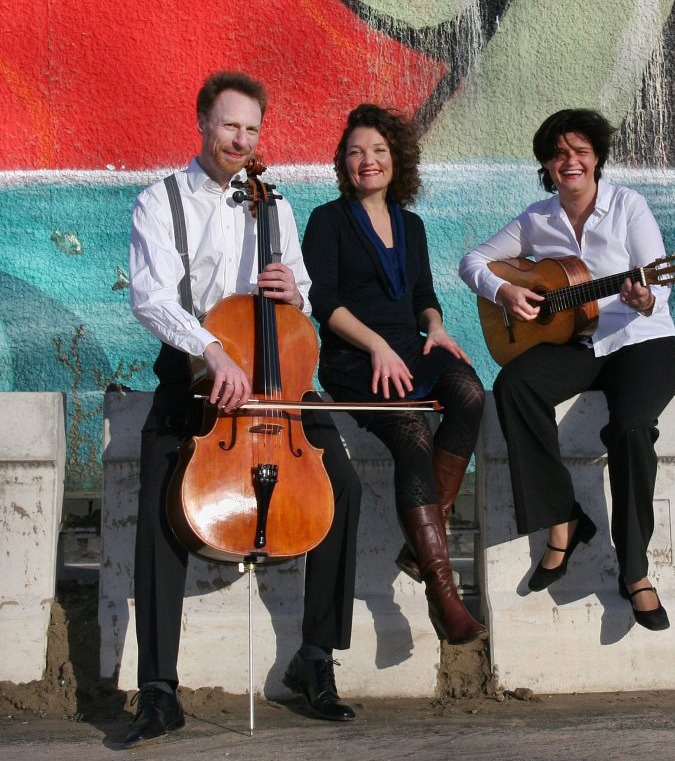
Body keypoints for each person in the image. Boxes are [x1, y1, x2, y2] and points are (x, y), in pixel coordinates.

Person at [125, 71, 362, 746]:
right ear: (202, 121)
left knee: (342, 483)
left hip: (277, 371)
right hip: (198, 369)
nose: (242, 139)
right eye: (230, 125)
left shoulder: (274, 203)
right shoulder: (161, 201)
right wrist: (211, 347)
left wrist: (294, 290)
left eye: (252, 128)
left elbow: (305, 298)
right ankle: (158, 688)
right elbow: (151, 297)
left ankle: (315, 659)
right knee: (158, 499)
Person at [460, 108, 675, 632]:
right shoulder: (537, 219)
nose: (571, 161)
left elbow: (660, 281)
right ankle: (563, 521)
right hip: (581, 345)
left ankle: (635, 571)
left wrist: (645, 296)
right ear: (547, 164)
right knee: (515, 384)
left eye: (580, 151)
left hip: (640, 340)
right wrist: (506, 290)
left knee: (630, 429)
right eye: (560, 153)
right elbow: (471, 262)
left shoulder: (629, 206)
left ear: (597, 157)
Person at [302, 103, 487, 646]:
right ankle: (443, 592)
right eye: (356, 152)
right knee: (411, 435)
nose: (368, 161)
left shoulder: (412, 225)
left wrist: (436, 329)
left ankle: (418, 545)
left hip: (411, 346)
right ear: (344, 161)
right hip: (354, 357)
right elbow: (324, 301)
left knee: (470, 393)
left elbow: (425, 298)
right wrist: (377, 346)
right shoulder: (328, 221)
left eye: (379, 151)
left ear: (396, 159)